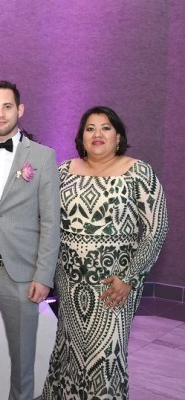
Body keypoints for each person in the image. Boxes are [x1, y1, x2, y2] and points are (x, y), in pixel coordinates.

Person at [42, 106, 169, 399]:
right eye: (90, 128)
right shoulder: (63, 171)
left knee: (106, 359)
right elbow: (47, 223)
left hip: (114, 286)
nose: (97, 134)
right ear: (81, 137)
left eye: (105, 128)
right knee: (68, 353)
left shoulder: (139, 171)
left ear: (118, 136)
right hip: (70, 283)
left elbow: (156, 228)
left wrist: (130, 277)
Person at [0, 80, 61, 400]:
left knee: (22, 360)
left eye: (7, 106)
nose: (0, 114)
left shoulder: (43, 157)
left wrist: (44, 275)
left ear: (20, 110)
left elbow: (51, 221)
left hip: (22, 274)